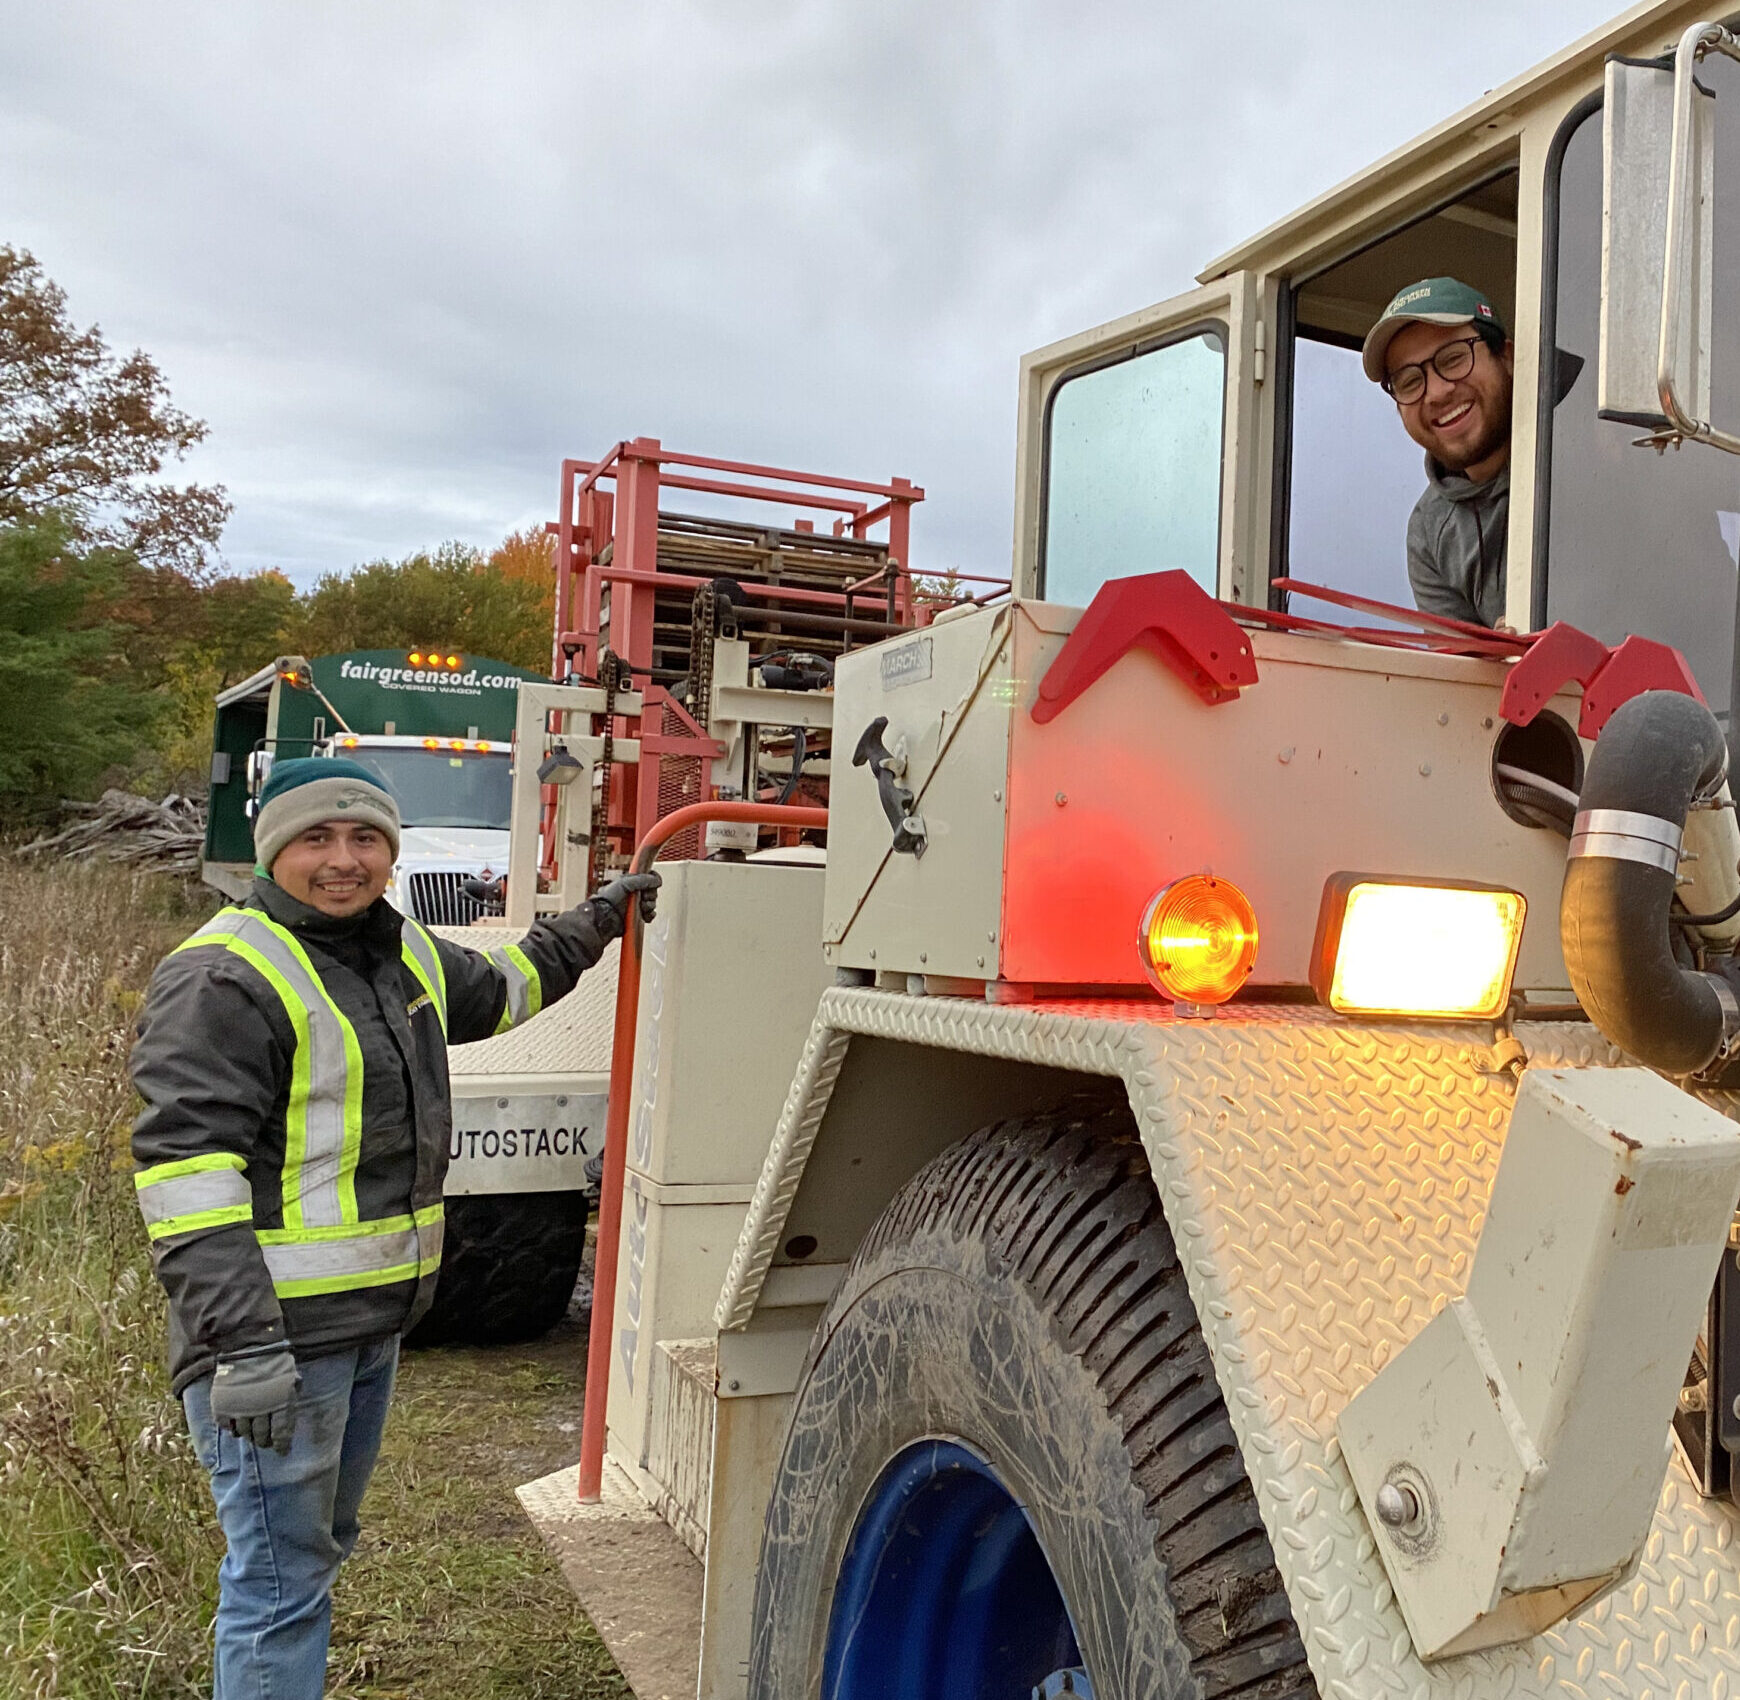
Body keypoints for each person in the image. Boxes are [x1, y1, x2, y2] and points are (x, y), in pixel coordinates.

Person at [129, 756, 658, 1697]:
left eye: (365, 837)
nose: (344, 860)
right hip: (279, 1347)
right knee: (278, 1585)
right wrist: (245, 1349)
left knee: (309, 1557)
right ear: (271, 852)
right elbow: (187, 1181)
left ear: (391, 850)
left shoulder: (394, 949)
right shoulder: (222, 976)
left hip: (366, 1330)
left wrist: (600, 919)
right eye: (317, 839)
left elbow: (504, 988)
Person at [1361, 276, 1515, 628]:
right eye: (1410, 381)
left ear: (1506, 357)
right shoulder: (1428, 533)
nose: (1436, 392)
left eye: (1453, 358)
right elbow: (1468, 679)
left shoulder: (1586, 447)